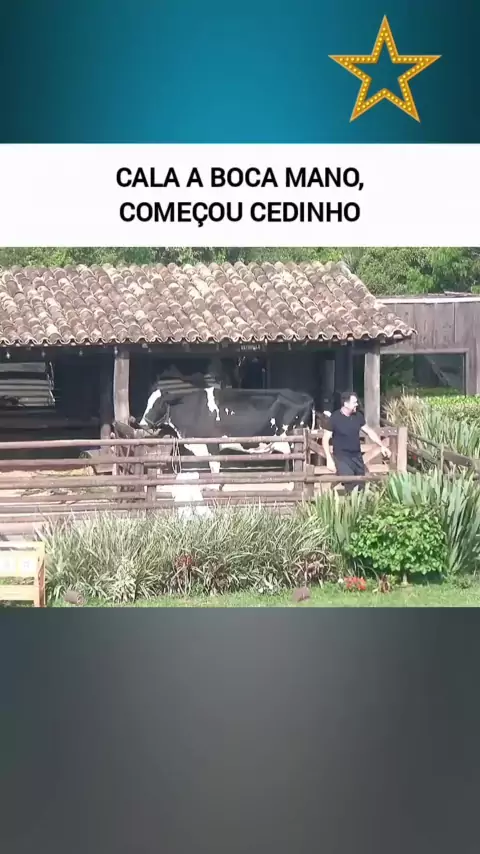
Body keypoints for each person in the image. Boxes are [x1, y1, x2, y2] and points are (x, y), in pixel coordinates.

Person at [321, 391, 391, 492]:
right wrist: (329, 459)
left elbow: (369, 431)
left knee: (361, 486)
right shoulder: (335, 418)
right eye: (354, 402)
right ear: (346, 404)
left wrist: (382, 446)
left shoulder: (358, 416)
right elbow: (325, 439)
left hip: (357, 457)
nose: (357, 404)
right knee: (350, 484)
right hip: (342, 457)